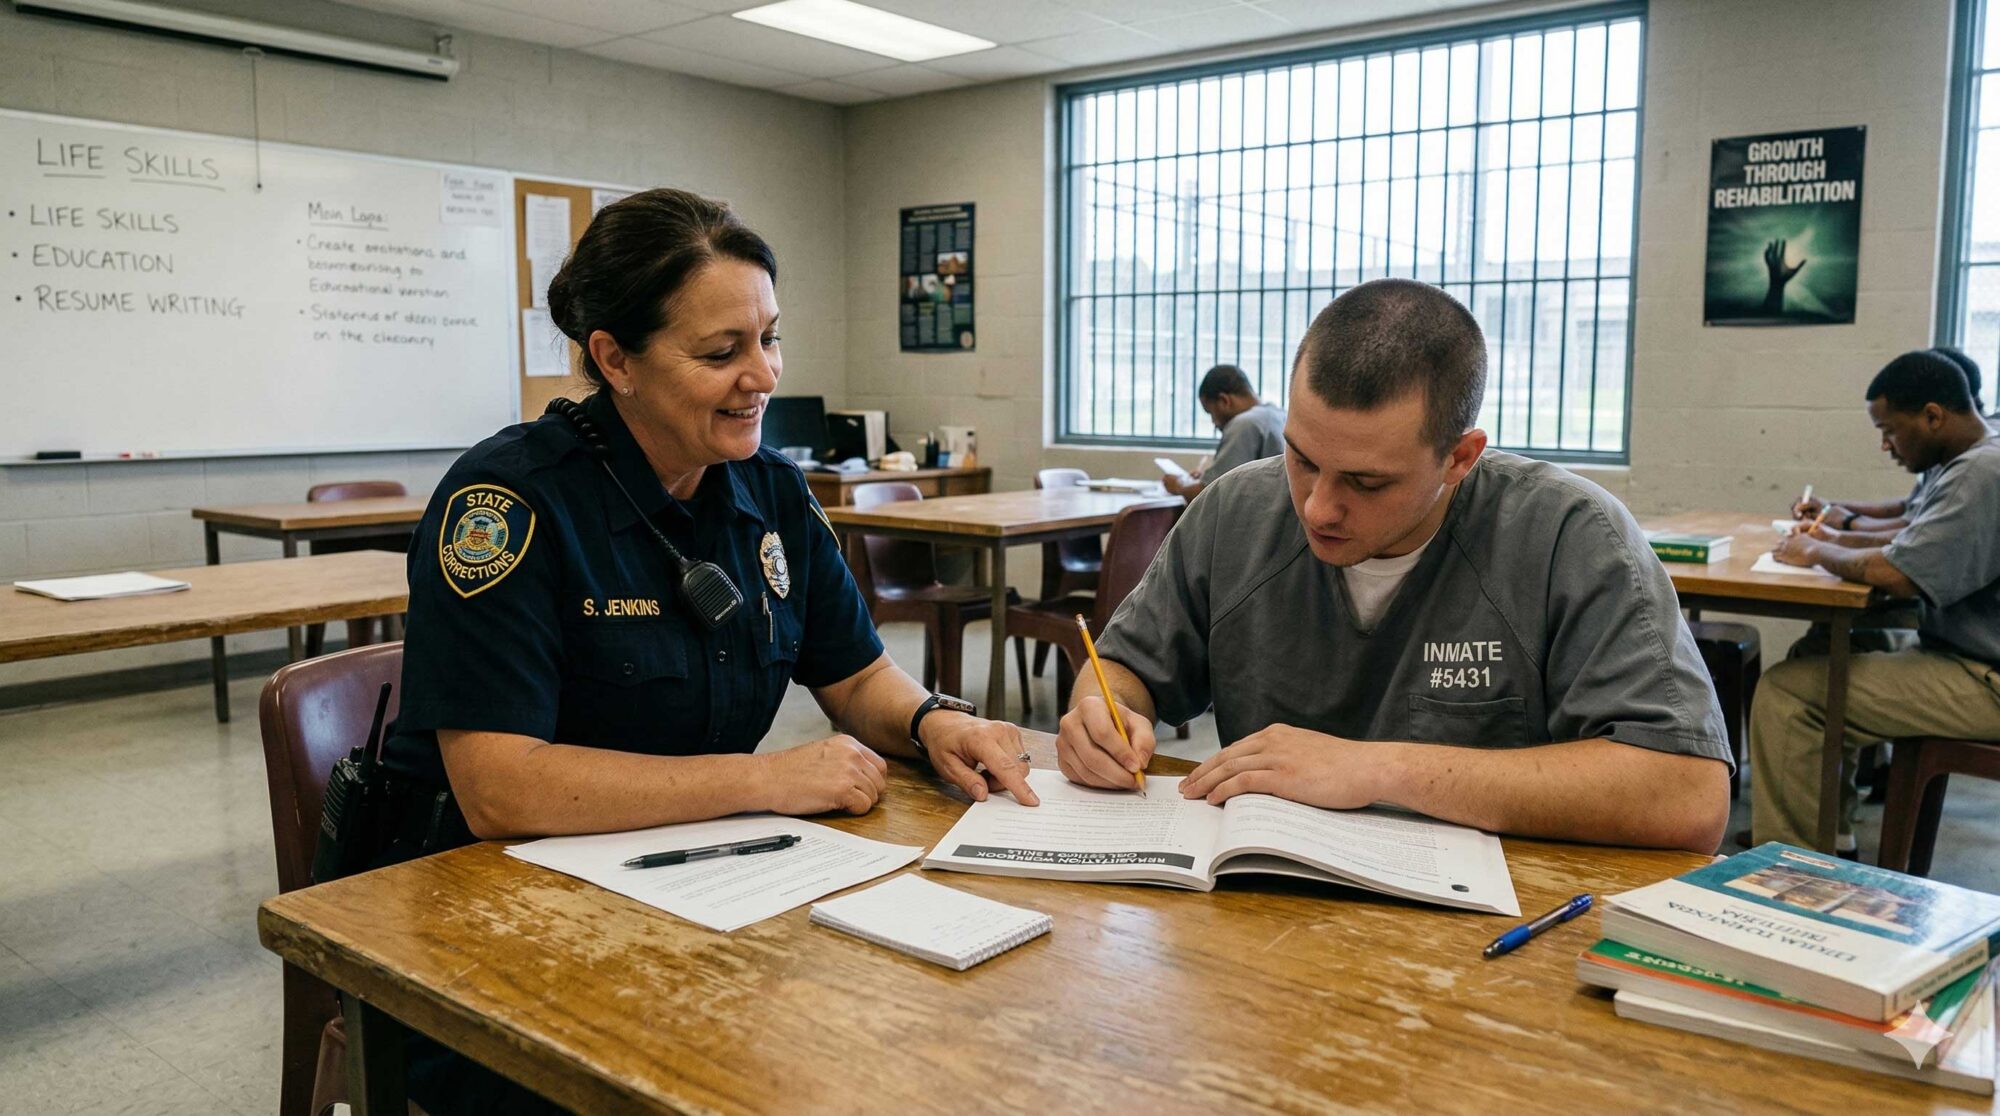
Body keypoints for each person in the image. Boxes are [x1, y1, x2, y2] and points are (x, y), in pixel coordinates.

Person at [380, 188, 1036, 1113]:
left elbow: (853, 673)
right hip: (498, 923)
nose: (762, 375)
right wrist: (764, 779)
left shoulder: (765, 486)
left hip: (697, 887)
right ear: (616, 359)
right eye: (721, 352)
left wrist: (930, 721)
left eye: (770, 338)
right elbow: (499, 787)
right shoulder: (509, 503)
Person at [1061, 279, 1733, 853]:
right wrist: (1100, 711)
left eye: (1367, 482)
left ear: (1460, 458)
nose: (1319, 508)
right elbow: (1123, 668)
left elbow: (1689, 796)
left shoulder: (1568, 537)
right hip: (1263, 911)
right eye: (1301, 459)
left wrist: (1379, 770)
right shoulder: (1235, 513)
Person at [1752, 350, 2000, 852]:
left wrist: (1815, 549)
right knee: (1821, 649)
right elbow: (1908, 540)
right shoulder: (1969, 460)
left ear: (1933, 415)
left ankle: (1787, 872)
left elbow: (1899, 571)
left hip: (1984, 676)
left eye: (1890, 430)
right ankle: (1833, 838)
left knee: (1787, 695)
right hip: (1965, 653)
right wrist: (1830, 540)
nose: (1886, 445)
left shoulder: (1981, 472)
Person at [1793, 346, 1986, 540]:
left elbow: (1914, 536)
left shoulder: (1974, 464)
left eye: (1890, 431)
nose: (1885, 445)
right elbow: (1910, 507)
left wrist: (1842, 527)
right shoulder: (1951, 447)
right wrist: (1832, 508)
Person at [1161, 364, 1286, 498]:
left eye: (1211, 412)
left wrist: (1179, 485)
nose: (1214, 423)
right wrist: (1207, 477)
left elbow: (1213, 494)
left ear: (1224, 401)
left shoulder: (1244, 424)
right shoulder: (1280, 415)